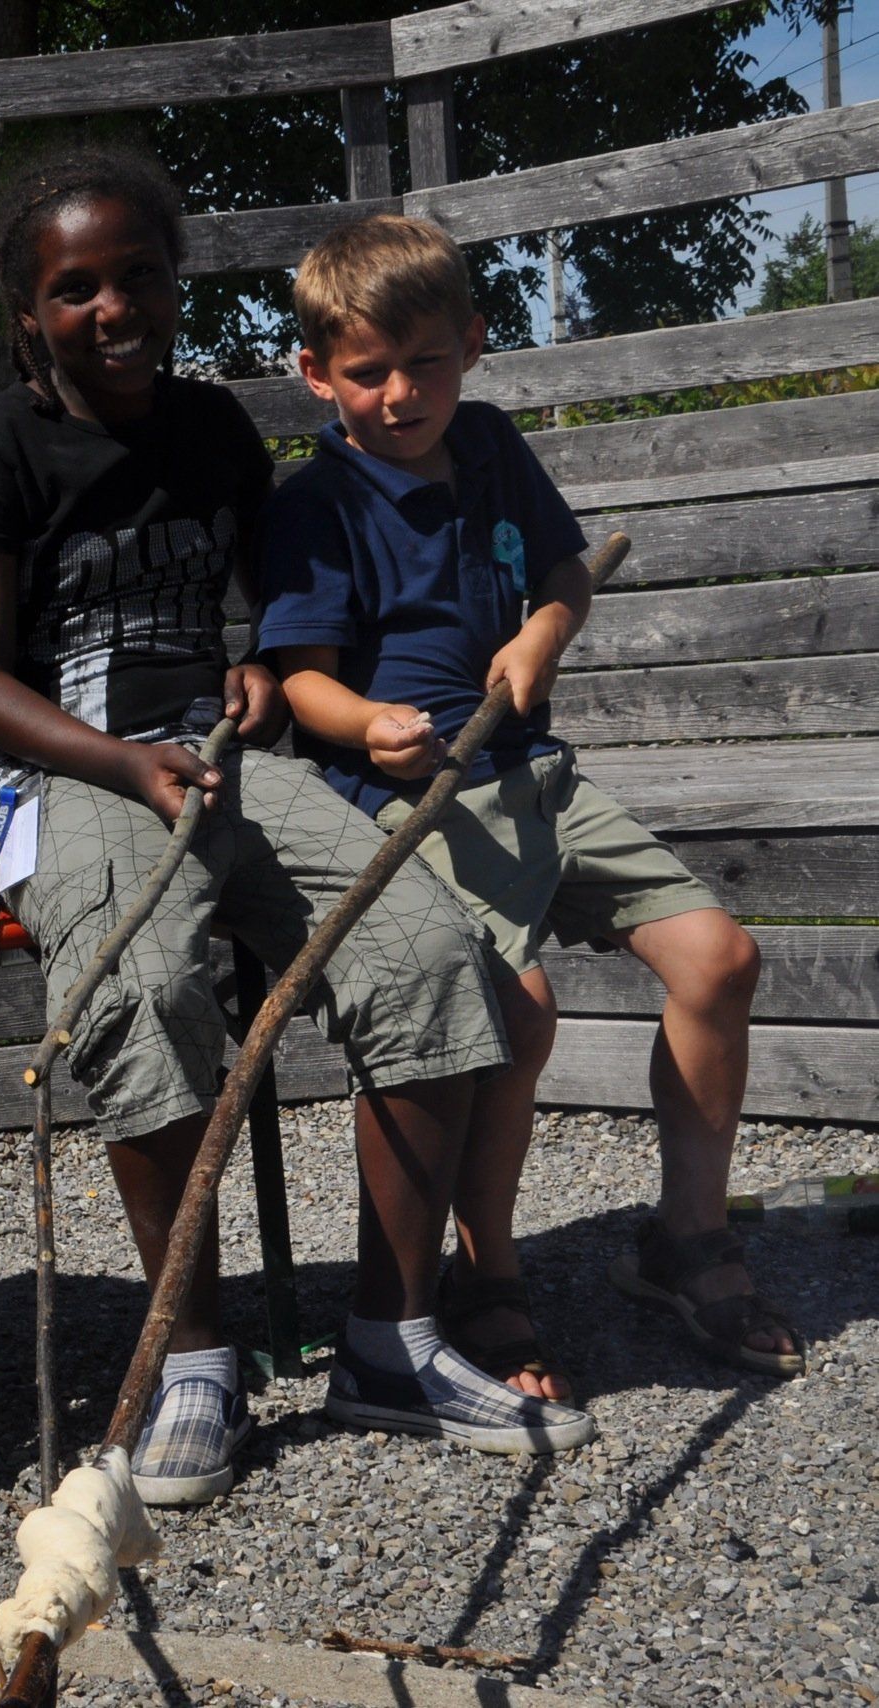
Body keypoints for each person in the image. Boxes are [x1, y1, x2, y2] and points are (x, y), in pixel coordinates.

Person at [0, 144, 596, 1509]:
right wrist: (124, 760)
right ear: (28, 309)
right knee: (141, 982)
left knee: (425, 949)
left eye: (139, 275)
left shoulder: (213, 429)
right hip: (58, 779)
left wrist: (255, 681)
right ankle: (194, 1359)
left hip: (220, 765)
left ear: (177, 282)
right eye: (75, 288)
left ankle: (390, 1339)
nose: (113, 308)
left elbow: (265, 627)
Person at [257, 213, 798, 1394]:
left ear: (471, 343)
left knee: (719, 958)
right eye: (368, 371)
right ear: (315, 373)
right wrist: (368, 723)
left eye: (426, 362)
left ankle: (686, 1238)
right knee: (517, 1008)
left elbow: (558, 572)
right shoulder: (317, 505)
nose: (401, 394)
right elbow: (299, 678)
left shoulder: (492, 444)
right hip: (412, 798)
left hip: (533, 774)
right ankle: (486, 1272)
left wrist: (547, 627)